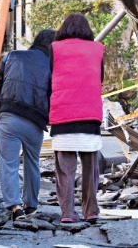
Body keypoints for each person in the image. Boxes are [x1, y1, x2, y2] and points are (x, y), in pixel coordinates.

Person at [0, 29, 56, 221]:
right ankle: (31, 205)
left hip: (9, 116)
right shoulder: (53, 66)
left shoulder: (12, 56)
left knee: (9, 164)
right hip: (35, 122)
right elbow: (53, 95)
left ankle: (16, 207)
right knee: (32, 162)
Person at [49, 13, 104, 223]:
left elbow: (50, 78)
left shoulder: (55, 48)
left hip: (63, 116)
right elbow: (100, 78)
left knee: (65, 170)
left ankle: (67, 213)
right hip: (89, 115)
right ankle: (91, 211)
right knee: (90, 170)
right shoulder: (98, 49)